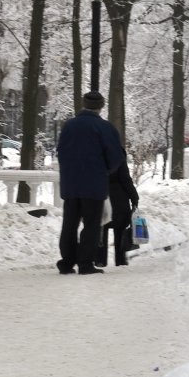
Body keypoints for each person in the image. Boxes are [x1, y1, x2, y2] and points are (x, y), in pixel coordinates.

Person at [56, 91, 124, 275]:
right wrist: (104, 171)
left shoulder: (68, 126)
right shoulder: (105, 128)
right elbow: (115, 157)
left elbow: (60, 152)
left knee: (69, 223)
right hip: (94, 184)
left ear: (83, 104)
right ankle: (85, 264)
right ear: (101, 106)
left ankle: (67, 262)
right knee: (91, 224)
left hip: (71, 184)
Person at [96, 148, 139, 268]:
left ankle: (100, 260)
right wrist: (134, 197)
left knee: (101, 229)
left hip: (101, 196)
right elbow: (126, 180)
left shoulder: (96, 154)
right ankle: (120, 259)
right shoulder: (118, 155)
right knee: (120, 229)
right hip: (119, 198)